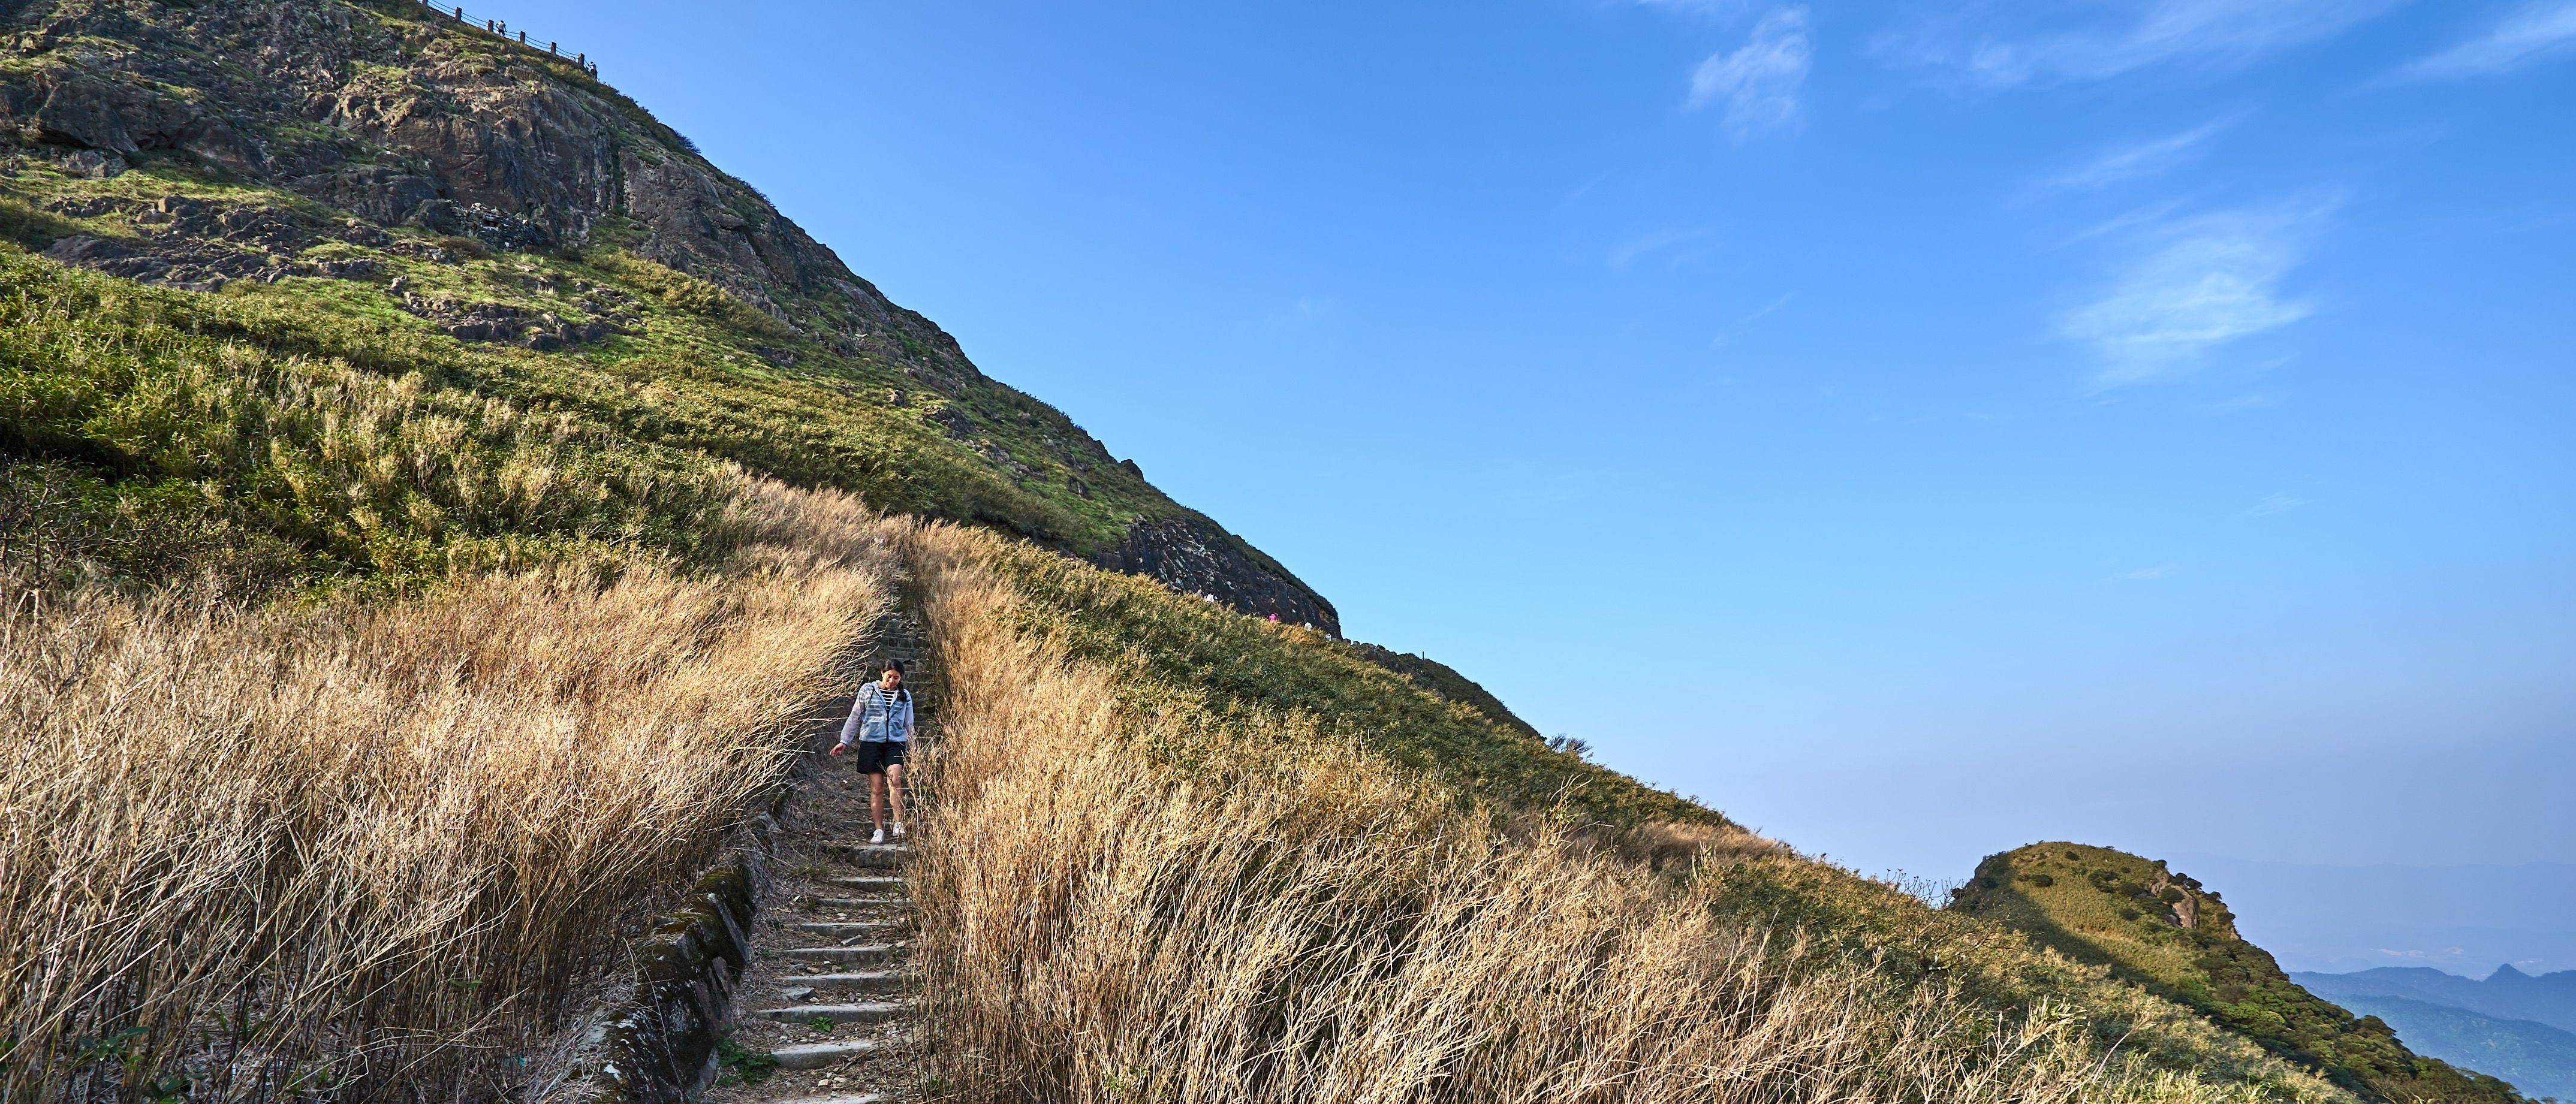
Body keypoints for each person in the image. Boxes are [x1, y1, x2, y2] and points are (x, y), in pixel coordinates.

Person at [829, 658, 912, 843]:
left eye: (896, 678)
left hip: (895, 743)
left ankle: (898, 823)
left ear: (901, 678)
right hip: (871, 743)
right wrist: (845, 741)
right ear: (882, 673)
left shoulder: (904, 695)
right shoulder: (868, 690)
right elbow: (855, 716)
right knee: (877, 787)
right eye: (889, 677)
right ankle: (879, 829)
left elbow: (909, 724)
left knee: (896, 781)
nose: (892, 681)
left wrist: (913, 748)